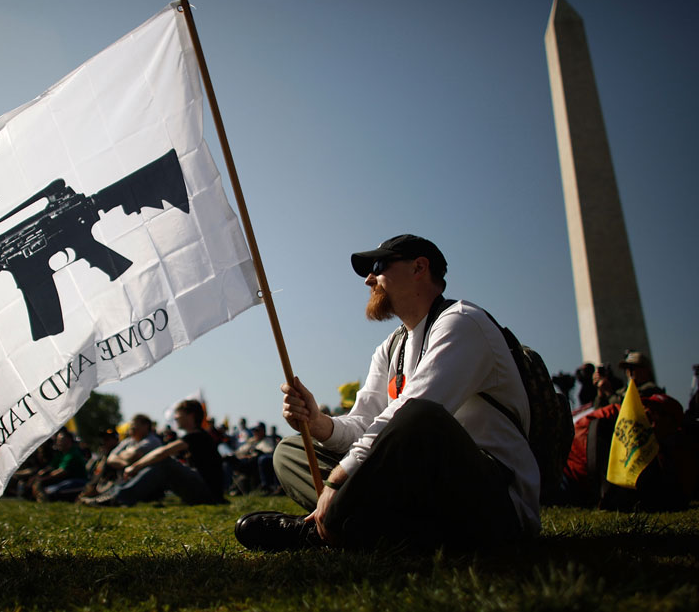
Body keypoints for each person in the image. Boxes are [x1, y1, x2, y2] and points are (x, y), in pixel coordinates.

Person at [235, 234, 540, 551]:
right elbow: (366, 423)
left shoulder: (462, 323)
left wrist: (337, 481)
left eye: (378, 266)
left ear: (419, 267)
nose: (368, 279)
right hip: (421, 495)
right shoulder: (392, 346)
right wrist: (319, 424)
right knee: (290, 452)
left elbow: (412, 412)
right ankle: (363, 527)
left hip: (493, 501)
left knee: (421, 417)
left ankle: (324, 528)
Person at [81, 399, 225, 506]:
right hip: (205, 492)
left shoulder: (198, 436)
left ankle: (118, 498)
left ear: (190, 415)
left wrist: (135, 466)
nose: (175, 417)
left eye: (178, 414)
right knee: (162, 464)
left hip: (209, 494)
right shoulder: (197, 436)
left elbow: (163, 452)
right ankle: (113, 496)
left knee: (164, 462)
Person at [29, 428, 88, 502]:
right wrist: (38, 475)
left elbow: (61, 472)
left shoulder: (73, 454)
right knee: (47, 489)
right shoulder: (61, 453)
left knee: (51, 492)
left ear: (69, 441)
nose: (58, 443)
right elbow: (50, 467)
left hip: (78, 482)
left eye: (60, 440)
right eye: (57, 440)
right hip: (66, 480)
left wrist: (42, 479)